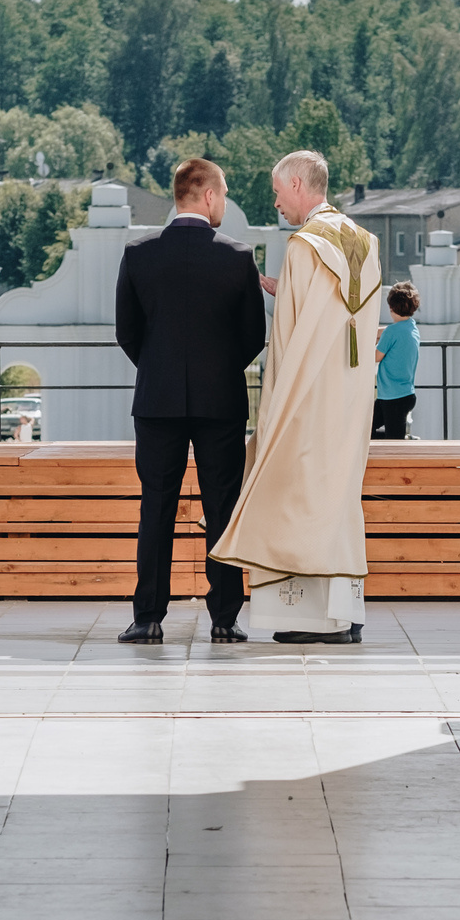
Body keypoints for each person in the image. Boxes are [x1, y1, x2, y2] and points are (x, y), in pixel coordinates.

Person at [210, 149, 381, 644]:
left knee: (296, 493)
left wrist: (275, 406)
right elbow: (334, 318)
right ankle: (345, 616)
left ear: (299, 186)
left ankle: (311, 620)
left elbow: (291, 339)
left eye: (278, 191)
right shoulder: (362, 242)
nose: (277, 202)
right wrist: (285, 291)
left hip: (307, 398)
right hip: (347, 397)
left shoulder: (305, 245)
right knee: (338, 495)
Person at [113, 157, 268, 644]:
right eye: (221, 193)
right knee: (222, 507)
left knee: (155, 506)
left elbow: (127, 332)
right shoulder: (238, 256)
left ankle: (147, 618)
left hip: (156, 402)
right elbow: (253, 335)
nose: (222, 201)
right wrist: (218, 371)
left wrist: (159, 370)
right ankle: (224, 617)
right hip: (220, 401)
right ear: (206, 196)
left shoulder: (138, 254)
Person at [372, 283, 421, 437]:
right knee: (366, 429)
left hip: (392, 398)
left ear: (391, 307)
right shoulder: (411, 327)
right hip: (404, 394)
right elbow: (390, 331)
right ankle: (405, 439)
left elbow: (375, 356)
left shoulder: (392, 332)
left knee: (394, 440)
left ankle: (407, 442)